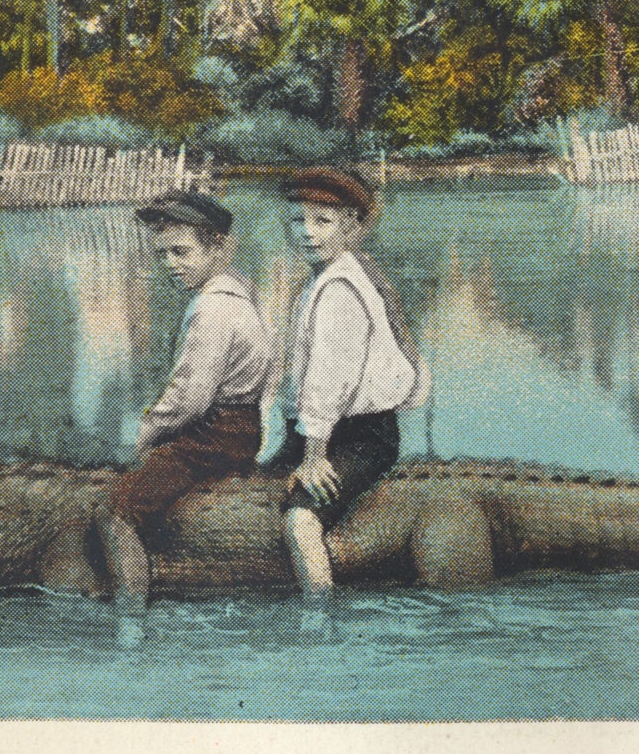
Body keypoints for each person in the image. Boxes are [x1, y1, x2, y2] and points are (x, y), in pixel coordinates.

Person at [97, 191, 275, 616]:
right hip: (242, 428)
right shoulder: (240, 296)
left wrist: (145, 434)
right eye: (162, 254)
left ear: (217, 247)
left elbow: (189, 399)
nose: (171, 264)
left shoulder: (210, 309)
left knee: (114, 515)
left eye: (182, 251)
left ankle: (130, 618)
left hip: (211, 436)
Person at [270, 167, 428, 601]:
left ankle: (320, 614)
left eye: (322, 221)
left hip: (359, 437)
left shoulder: (340, 287)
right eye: (298, 221)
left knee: (300, 519)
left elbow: (328, 378)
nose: (307, 233)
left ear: (353, 226)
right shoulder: (320, 280)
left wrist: (315, 455)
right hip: (316, 430)